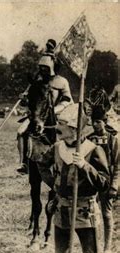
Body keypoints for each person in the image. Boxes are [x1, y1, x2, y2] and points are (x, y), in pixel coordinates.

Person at [38, 104, 110, 253]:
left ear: (73, 128)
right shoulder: (57, 147)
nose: (57, 127)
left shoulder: (93, 150)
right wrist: (55, 185)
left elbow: (104, 183)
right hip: (61, 210)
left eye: (61, 123)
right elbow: (41, 164)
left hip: (85, 213)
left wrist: (85, 165)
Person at [17, 40, 73, 174]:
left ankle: (68, 162)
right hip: (38, 115)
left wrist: (54, 110)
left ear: (52, 67)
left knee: (68, 135)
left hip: (57, 114)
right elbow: (31, 101)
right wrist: (24, 99)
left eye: (45, 68)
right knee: (20, 132)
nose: (42, 70)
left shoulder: (61, 81)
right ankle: (24, 162)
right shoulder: (37, 82)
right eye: (41, 67)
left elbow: (68, 100)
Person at [87, 104, 119, 253]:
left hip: (107, 183)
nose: (95, 124)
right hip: (92, 182)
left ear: (105, 121)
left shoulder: (113, 140)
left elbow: (118, 165)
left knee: (106, 214)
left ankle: (107, 249)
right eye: (93, 121)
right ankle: (94, 247)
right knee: (91, 215)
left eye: (98, 121)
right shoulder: (89, 139)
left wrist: (114, 186)